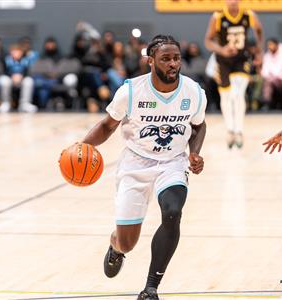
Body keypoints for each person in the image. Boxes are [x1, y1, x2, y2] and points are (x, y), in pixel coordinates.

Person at [81, 35, 207, 300]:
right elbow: (107, 126)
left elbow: (198, 125)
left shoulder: (193, 92)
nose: (173, 64)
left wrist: (194, 153)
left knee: (173, 212)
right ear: (151, 61)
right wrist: (81, 147)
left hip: (173, 162)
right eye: (166, 59)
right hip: (135, 163)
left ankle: (150, 288)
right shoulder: (130, 91)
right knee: (128, 242)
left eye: (176, 58)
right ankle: (116, 248)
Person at [204, 0, 263, 148]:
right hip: (223, 60)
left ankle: (239, 130)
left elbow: (259, 31)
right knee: (226, 95)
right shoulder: (217, 17)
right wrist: (222, 49)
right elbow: (208, 41)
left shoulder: (248, 15)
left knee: (238, 94)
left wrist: (259, 50)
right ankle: (230, 129)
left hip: (241, 59)